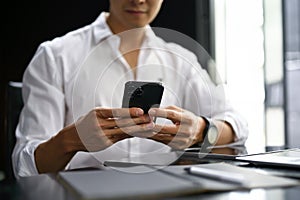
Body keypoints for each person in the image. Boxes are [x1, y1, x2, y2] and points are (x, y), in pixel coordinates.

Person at [12, 0, 248, 178]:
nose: (139, 0)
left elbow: (236, 124)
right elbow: (25, 167)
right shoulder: (55, 57)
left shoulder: (182, 60)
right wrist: (72, 140)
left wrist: (201, 131)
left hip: (168, 190)